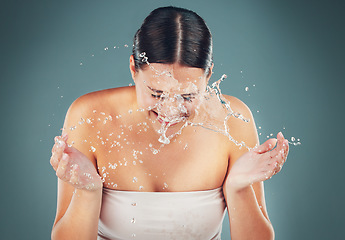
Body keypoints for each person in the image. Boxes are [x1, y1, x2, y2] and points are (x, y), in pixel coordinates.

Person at [50, 6, 289, 240]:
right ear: (134, 68)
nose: (171, 110)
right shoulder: (91, 116)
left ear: (208, 76)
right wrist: (87, 191)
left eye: (187, 96)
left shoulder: (233, 121)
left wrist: (238, 188)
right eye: (156, 94)